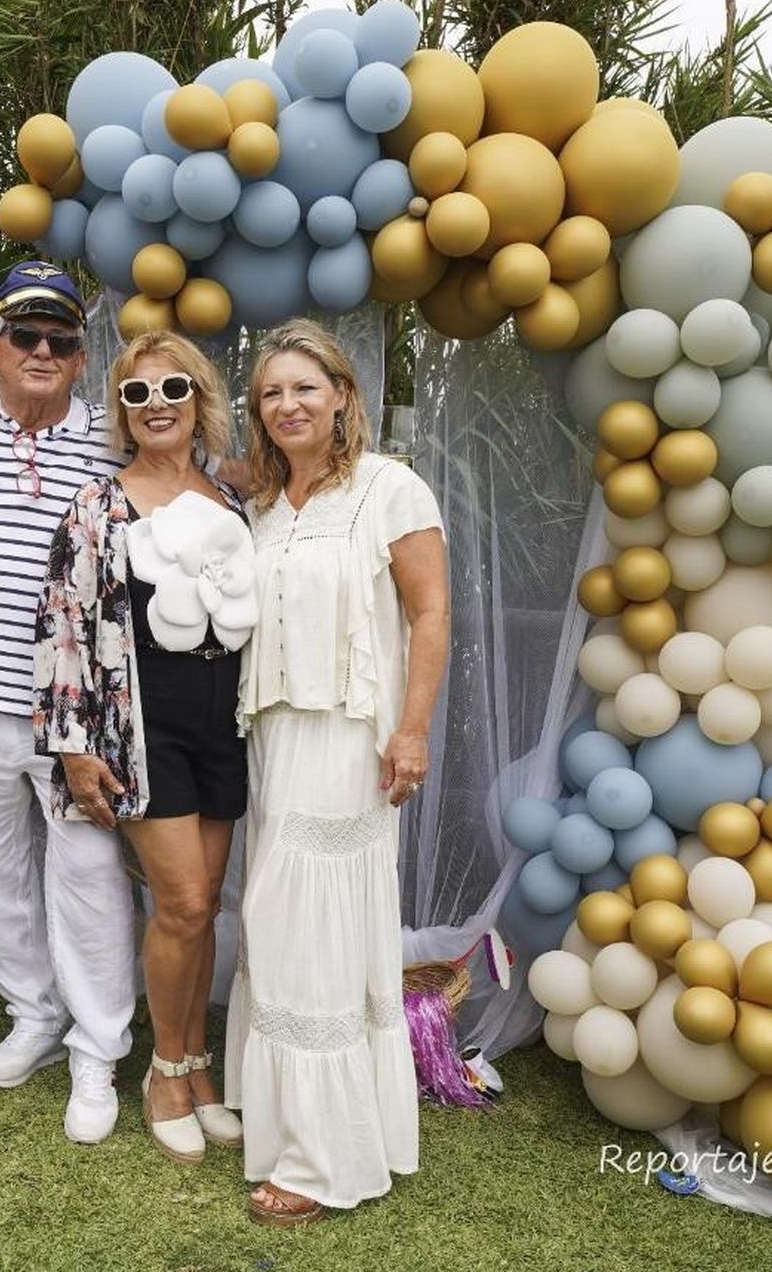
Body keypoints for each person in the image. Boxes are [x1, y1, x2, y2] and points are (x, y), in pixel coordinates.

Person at [224, 319, 450, 1224]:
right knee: (272, 916)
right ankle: (278, 1110)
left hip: (350, 740)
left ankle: (322, 1159)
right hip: (273, 737)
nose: (288, 406)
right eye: (271, 394)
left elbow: (431, 615)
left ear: (343, 395)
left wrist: (414, 730)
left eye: (304, 389)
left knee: (312, 922)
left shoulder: (389, 488)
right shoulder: (265, 507)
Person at [0, 261, 135, 1145]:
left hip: (72, 717)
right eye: (25, 335)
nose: (42, 351)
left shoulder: (115, 435)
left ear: (83, 356)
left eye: (62, 339)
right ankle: (35, 1015)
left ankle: (97, 1049)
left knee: (88, 882)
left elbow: (193, 488)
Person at [35, 331, 255, 1164]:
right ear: (122, 414)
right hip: (140, 724)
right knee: (185, 905)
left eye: (173, 389)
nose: (157, 404)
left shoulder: (236, 505)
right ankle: (164, 1072)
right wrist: (71, 746)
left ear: (200, 401)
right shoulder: (98, 505)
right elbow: (60, 628)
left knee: (208, 906)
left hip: (223, 720)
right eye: (137, 393)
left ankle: (198, 1065)